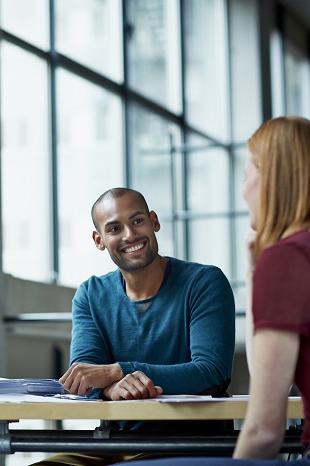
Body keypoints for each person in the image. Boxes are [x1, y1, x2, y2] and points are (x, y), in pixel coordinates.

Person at [115, 116, 310, 465]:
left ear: (273, 181)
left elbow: (265, 428)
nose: (244, 189)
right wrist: (254, 274)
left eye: (246, 176)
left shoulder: (286, 260)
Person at [32, 187, 236, 466]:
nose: (129, 235)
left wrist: (119, 371)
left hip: (188, 446)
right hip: (111, 443)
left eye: (137, 221)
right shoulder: (91, 294)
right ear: (99, 240)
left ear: (154, 221)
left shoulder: (204, 282)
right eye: (114, 228)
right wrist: (108, 389)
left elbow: (212, 372)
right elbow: (85, 373)